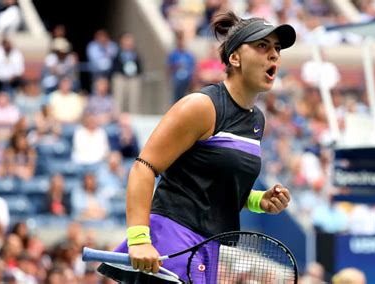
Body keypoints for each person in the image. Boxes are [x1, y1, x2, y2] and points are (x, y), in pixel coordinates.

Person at [98, 10, 296, 283]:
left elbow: (214, 185)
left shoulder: (256, 121)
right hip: (172, 239)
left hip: (207, 246)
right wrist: (139, 240)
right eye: (262, 46)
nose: (274, 54)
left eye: (276, 48)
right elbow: (143, 168)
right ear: (234, 58)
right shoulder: (202, 106)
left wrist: (258, 201)